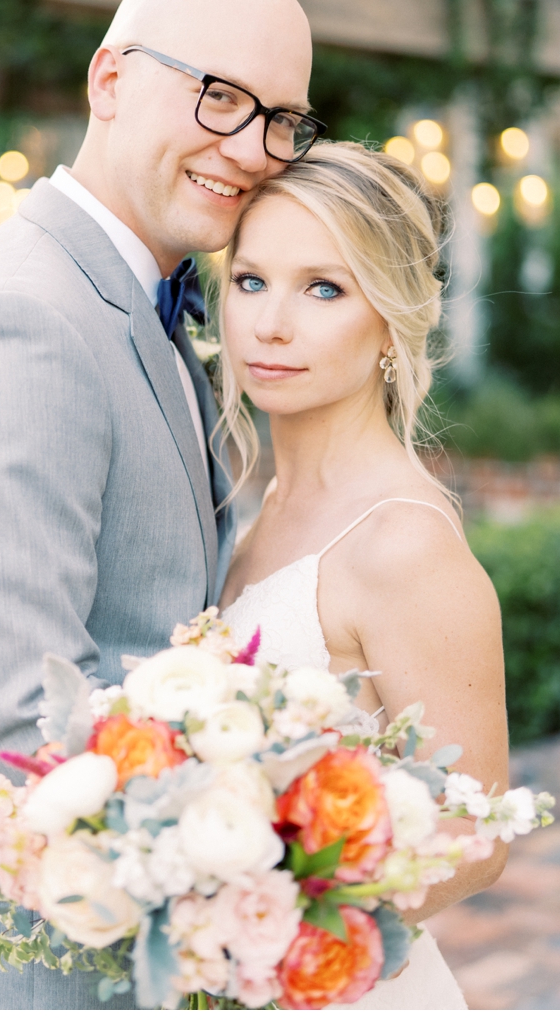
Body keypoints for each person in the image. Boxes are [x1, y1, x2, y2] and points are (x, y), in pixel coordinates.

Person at [0, 0, 316, 1010]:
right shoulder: (21, 326)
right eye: (219, 96)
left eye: (281, 119)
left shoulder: (132, 305)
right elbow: (22, 724)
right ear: (108, 81)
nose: (251, 149)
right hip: (0, 969)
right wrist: (281, 852)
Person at [216, 141, 510, 1009]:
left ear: (389, 316)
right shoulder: (258, 500)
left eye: (324, 288)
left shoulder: (402, 544)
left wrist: (268, 940)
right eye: (250, 280)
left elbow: (477, 835)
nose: (271, 324)